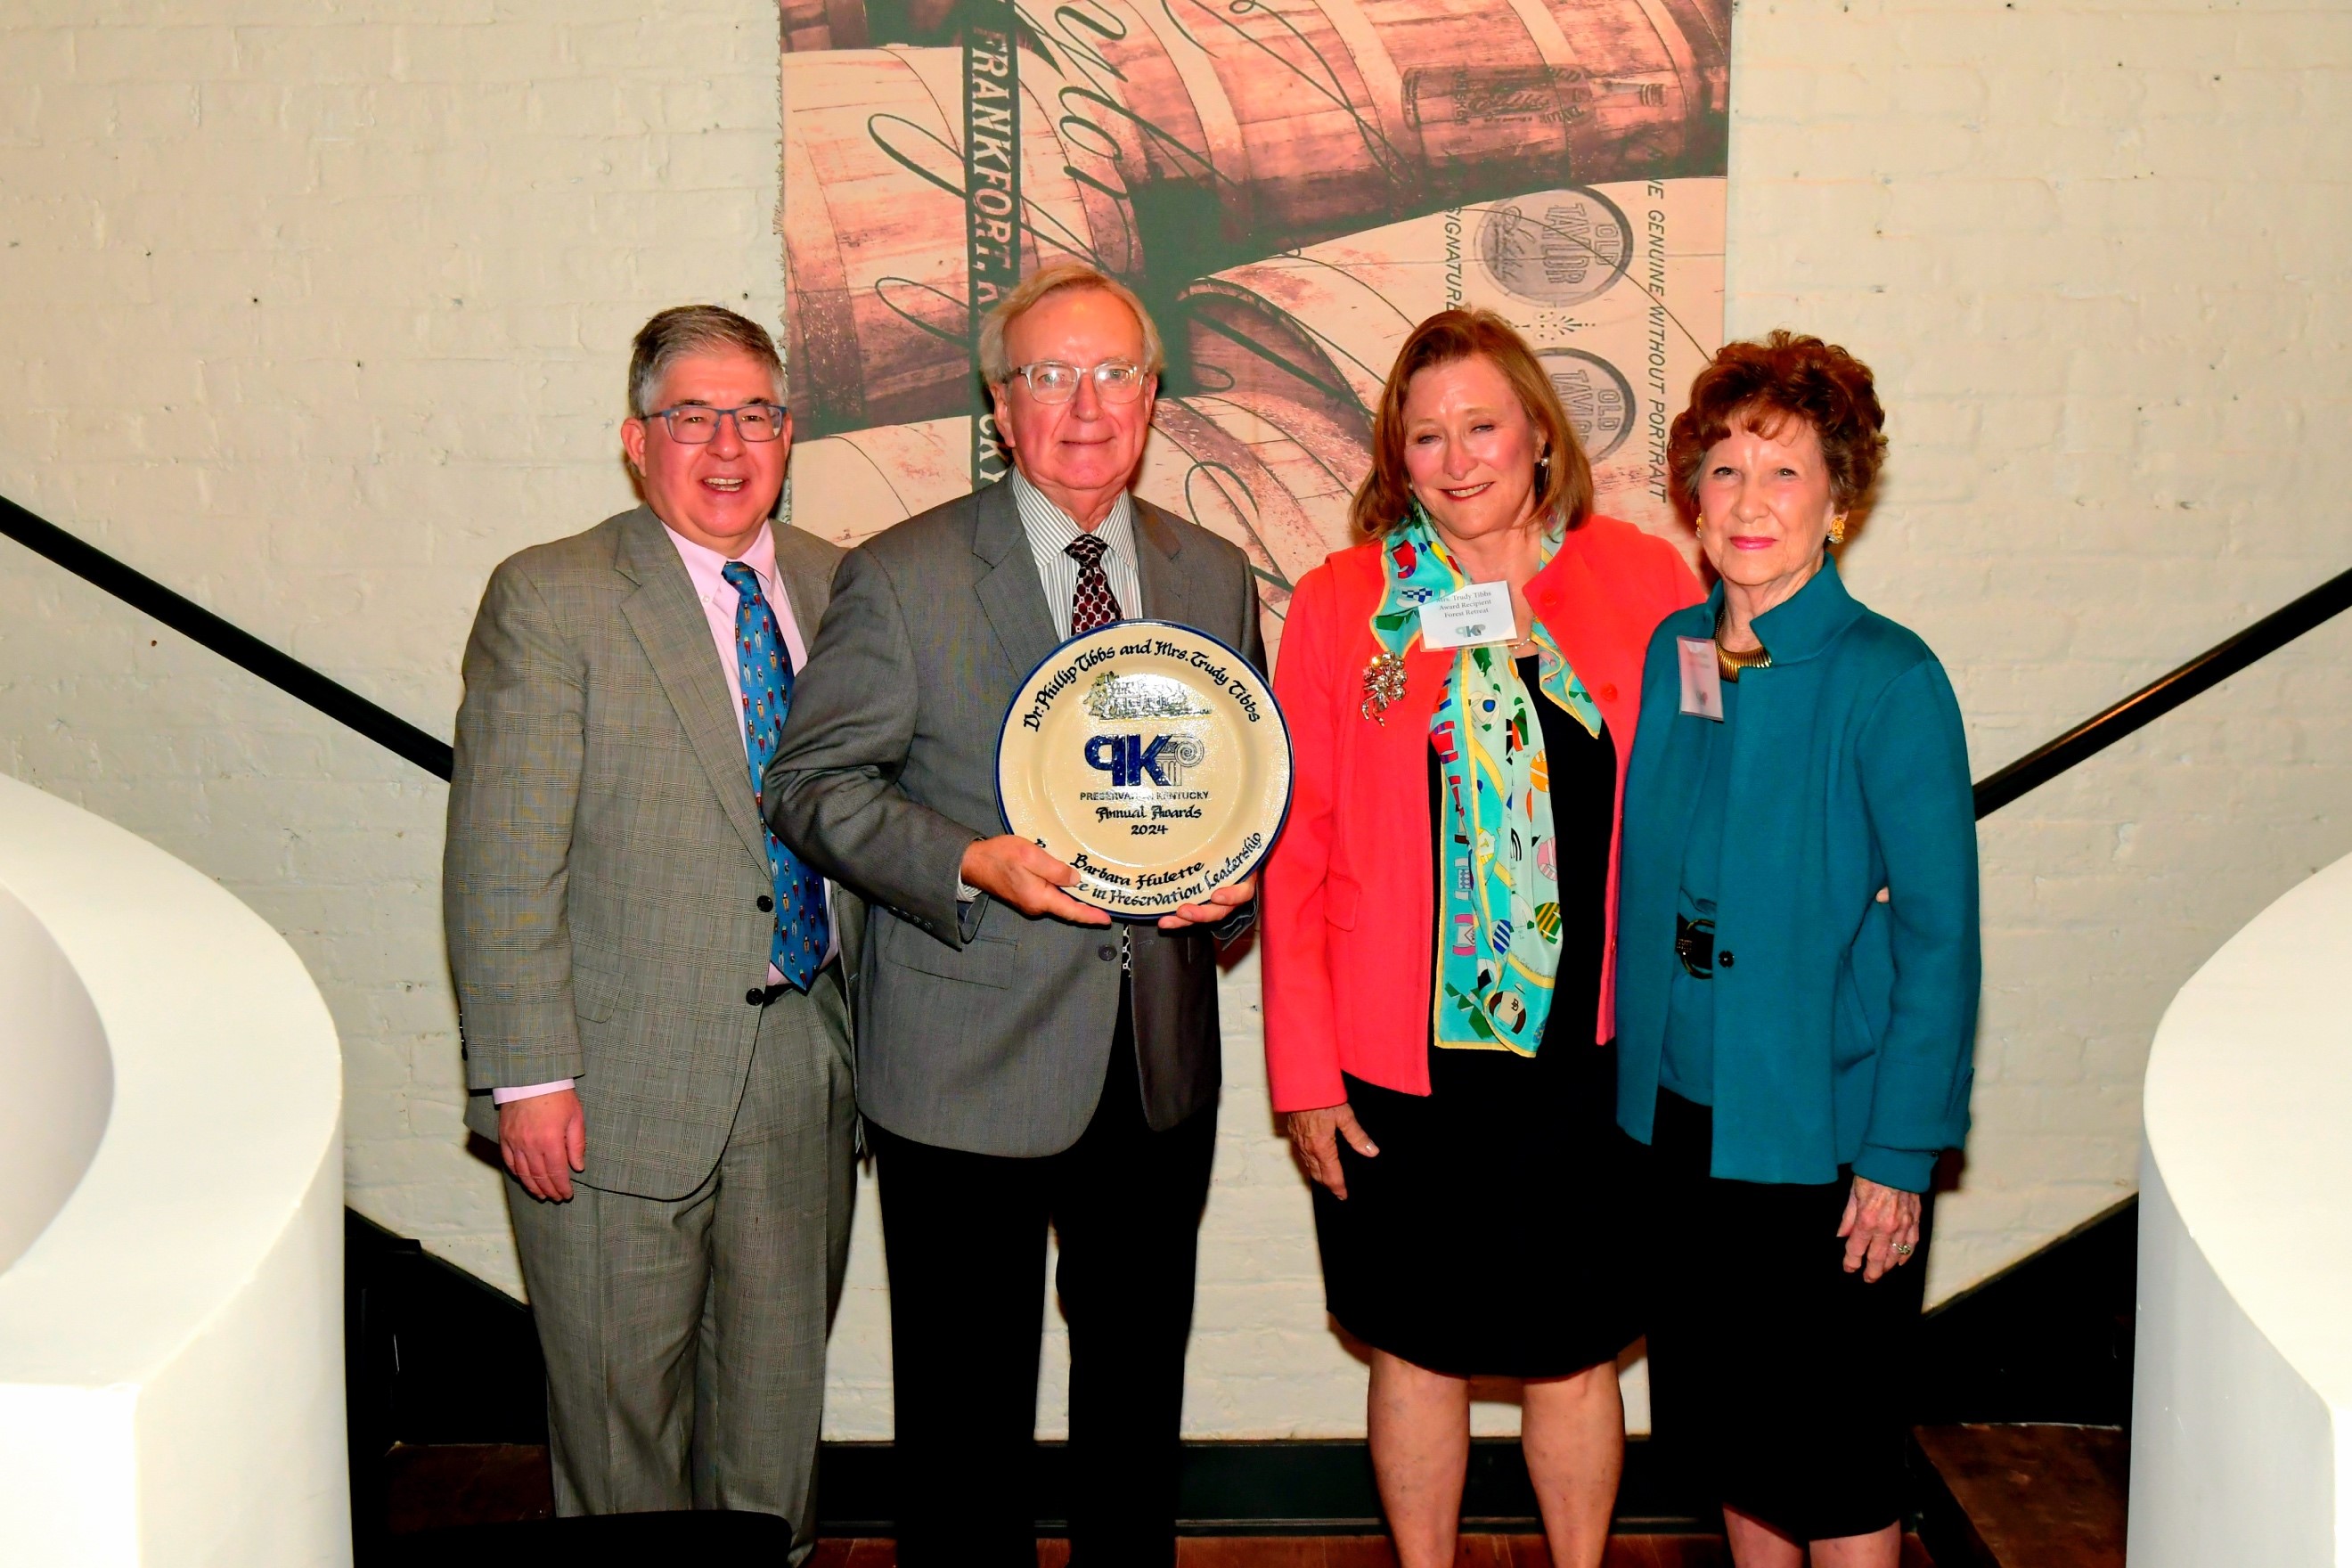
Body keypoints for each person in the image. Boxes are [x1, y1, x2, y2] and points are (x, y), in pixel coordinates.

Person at [764, 261, 1263, 1567]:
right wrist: (970, 860)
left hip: (1155, 1066)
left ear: (1152, 398)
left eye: (1113, 374)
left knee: (1135, 1408)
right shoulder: (906, 574)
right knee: (966, 1427)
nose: (1084, 406)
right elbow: (811, 786)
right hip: (962, 1066)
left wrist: (1235, 876)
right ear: (1002, 402)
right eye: (1050, 375)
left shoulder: (1212, 577)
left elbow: (1236, 786)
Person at [1260, 308, 1703, 1568]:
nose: (1458, 461)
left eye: (1482, 428)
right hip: (1401, 1064)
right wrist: (1304, 1077)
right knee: (1416, 1345)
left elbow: (1708, 788)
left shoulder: (1641, 581)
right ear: (1398, 460)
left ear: (1536, 435)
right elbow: (1296, 852)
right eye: (1427, 437)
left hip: (1594, 1059)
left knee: (1574, 1349)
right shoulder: (1348, 604)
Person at [444, 305, 858, 1564]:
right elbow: (504, 859)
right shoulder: (554, 596)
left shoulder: (844, 587)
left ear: (788, 436)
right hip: (608, 1095)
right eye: (693, 416)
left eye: (754, 414)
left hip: (804, 1072)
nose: (726, 444)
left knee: (776, 1424)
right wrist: (530, 1077)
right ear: (638, 441)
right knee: (622, 1435)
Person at [1615, 331, 1980, 1567]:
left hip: (1826, 1144)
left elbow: (1942, 941)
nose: (1750, 503)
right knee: (1735, 1449)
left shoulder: (1891, 677)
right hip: (1681, 1123)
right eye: (1725, 472)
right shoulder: (1675, 651)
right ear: (1693, 499)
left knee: (1834, 1469)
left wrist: (1899, 1152)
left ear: (1841, 498)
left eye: (1785, 473)